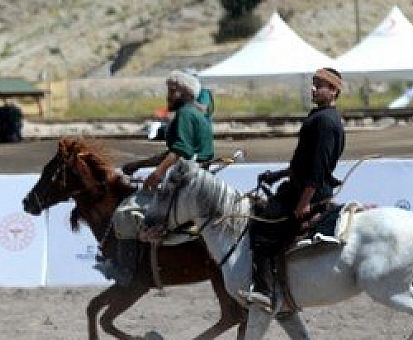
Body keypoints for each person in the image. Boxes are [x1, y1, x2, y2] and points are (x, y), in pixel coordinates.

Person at [241, 65, 347, 315]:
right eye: (314, 83)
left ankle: (266, 291)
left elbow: (318, 168)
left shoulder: (326, 121)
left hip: (309, 192)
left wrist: (305, 202)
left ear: (333, 90)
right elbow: (303, 162)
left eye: (319, 85)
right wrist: (277, 175)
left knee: (262, 226)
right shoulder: (320, 116)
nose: (313, 88)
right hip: (299, 186)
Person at [102, 71, 215, 284]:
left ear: (184, 93)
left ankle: (126, 272)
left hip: (187, 181)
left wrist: (155, 175)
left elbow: (180, 151)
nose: (168, 96)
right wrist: (139, 165)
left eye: (172, 91)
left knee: (125, 213)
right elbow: (173, 152)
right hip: (197, 178)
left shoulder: (184, 114)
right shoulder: (195, 113)